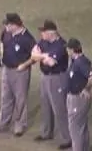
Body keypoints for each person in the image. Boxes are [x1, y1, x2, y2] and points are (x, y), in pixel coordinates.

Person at [0, 13, 36, 137]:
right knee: (5, 98)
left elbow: (36, 56)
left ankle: (19, 125)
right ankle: (2, 123)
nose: (5, 26)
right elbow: (2, 44)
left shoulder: (27, 38)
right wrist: (2, 59)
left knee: (20, 99)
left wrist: (25, 65)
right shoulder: (6, 32)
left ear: (15, 25)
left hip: (20, 72)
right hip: (6, 69)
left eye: (8, 24)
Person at [31, 20, 72, 150]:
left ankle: (68, 138)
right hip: (45, 77)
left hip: (58, 78)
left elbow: (51, 63)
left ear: (51, 32)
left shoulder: (61, 45)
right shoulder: (44, 42)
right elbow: (33, 55)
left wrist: (41, 56)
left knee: (59, 108)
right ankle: (46, 133)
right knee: (46, 106)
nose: (41, 34)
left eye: (43, 31)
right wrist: (44, 55)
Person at [65, 38, 92, 151]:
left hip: (78, 99)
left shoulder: (81, 62)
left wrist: (86, 89)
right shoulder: (76, 61)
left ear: (72, 50)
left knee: (75, 127)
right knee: (81, 125)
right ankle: (85, 148)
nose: (67, 51)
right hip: (74, 97)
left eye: (68, 49)